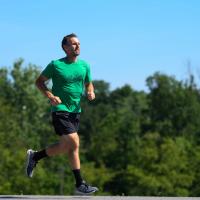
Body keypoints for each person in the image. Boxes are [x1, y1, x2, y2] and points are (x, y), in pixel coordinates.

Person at [26, 33, 98, 195]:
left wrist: (90, 91)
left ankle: (35, 157)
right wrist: (50, 96)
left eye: (78, 43)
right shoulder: (56, 65)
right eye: (73, 44)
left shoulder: (84, 65)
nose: (77, 46)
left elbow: (89, 83)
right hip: (60, 109)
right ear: (65, 47)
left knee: (68, 146)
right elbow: (39, 82)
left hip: (75, 111)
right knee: (75, 141)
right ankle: (80, 184)